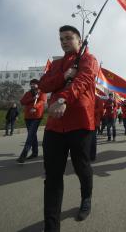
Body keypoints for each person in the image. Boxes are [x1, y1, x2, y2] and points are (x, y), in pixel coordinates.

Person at [38, 25, 99, 229]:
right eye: (61, 39)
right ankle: (51, 226)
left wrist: (63, 99)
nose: (64, 41)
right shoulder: (56, 64)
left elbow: (82, 82)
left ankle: (86, 198)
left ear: (79, 41)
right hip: (54, 126)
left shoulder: (89, 60)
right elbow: (44, 85)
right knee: (53, 177)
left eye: (69, 38)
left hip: (80, 123)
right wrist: (64, 76)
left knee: (82, 167)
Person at [17, 80, 46, 163]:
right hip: (28, 116)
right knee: (32, 134)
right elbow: (22, 102)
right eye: (31, 84)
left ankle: (23, 155)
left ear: (38, 85)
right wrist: (32, 98)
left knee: (30, 135)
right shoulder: (28, 93)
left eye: (34, 84)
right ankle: (35, 152)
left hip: (37, 117)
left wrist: (35, 107)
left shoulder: (42, 92)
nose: (32, 85)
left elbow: (42, 101)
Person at [91, 94, 105, 161]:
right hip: (86, 121)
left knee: (93, 138)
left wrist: (90, 112)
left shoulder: (97, 98)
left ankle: (92, 155)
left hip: (94, 121)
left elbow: (100, 109)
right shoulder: (97, 98)